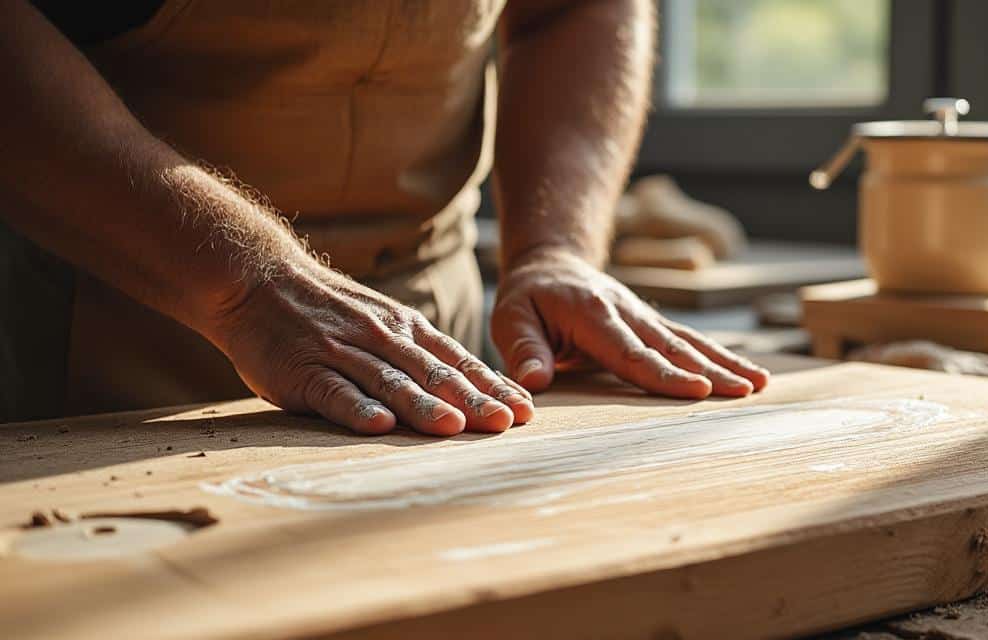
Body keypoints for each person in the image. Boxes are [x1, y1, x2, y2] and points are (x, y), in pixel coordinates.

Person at [0, 0, 769, 435]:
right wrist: (246, 285)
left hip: (435, 336)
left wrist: (557, 246)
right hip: (105, 346)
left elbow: (570, 10)